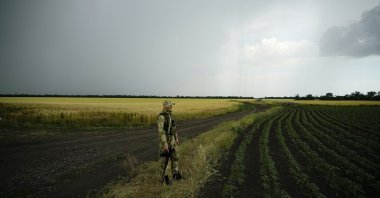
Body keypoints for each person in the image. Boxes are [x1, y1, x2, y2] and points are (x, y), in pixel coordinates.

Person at [157, 100, 183, 185]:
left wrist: (176, 138)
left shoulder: (170, 115)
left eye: (171, 105)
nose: (171, 107)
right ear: (165, 106)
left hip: (172, 139)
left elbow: (173, 127)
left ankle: (175, 174)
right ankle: (164, 179)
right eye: (170, 105)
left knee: (175, 157)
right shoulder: (161, 117)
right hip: (166, 140)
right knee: (165, 160)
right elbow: (161, 132)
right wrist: (164, 144)